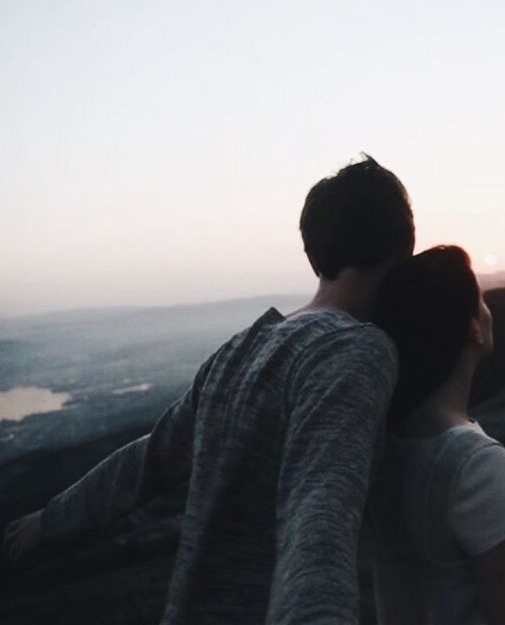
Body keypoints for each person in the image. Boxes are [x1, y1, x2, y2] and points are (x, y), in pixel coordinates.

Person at [2, 155, 414, 625]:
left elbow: (150, 457)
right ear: (402, 250)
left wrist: (50, 520)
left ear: (314, 255)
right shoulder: (356, 352)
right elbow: (319, 513)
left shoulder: (243, 347)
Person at [369, 245, 505, 625]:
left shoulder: (381, 449)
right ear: (472, 326)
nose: (489, 311)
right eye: (482, 301)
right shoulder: (476, 466)